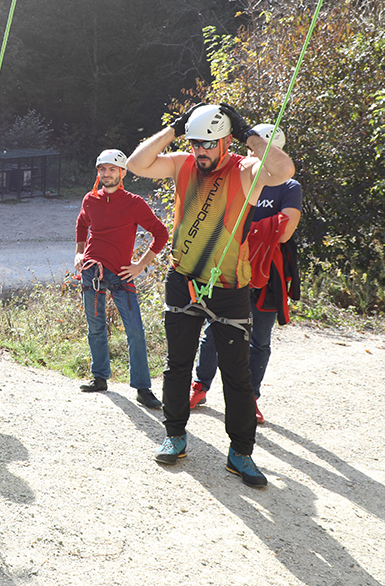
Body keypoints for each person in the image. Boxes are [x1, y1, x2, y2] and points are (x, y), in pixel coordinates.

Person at [127, 103, 294, 488]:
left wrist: (248, 133)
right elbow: (136, 164)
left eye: (207, 144)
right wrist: (174, 128)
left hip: (230, 287)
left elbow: (284, 171)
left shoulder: (245, 169)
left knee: (237, 375)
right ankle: (174, 435)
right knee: (177, 364)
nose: (200, 151)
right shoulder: (183, 163)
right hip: (183, 279)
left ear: (225, 141)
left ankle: (241, 453)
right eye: (195, 142)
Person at [189, 123, 302, 423]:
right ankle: (200, 386)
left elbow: (285, 232)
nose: (254, 155)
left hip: (266, 275)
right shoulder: (238, 176)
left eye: (262, 150)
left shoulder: (289, 187)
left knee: (259, 340)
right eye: (252, 149)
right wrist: (262, 227)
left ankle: (250, 398)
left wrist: (244, 232)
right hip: (228, 268)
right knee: (214, 330)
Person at [74, 148, 168, 410]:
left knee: (135, 329)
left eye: (112, 169)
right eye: (102, 169)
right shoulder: (90, 199)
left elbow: (161, 234)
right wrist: (79, 252)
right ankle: (99, 377)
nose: (106, 174)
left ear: (122, 173)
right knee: (95, 326)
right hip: (92, 271)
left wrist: (140, 265)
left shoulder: (134, 203)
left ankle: (142, 388)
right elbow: (82, 224)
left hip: (121, 273)